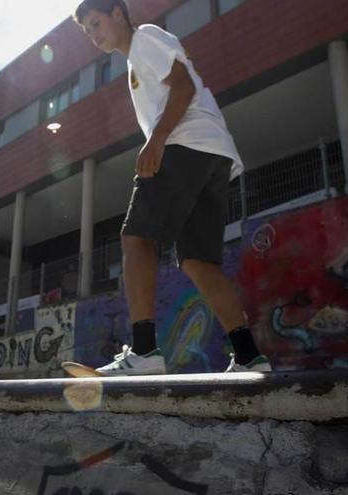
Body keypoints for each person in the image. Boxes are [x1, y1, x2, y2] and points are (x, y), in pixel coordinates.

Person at [73, 0, 271, 374]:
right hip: (213, 154)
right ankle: (249, 357)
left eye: (96, 24)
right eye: (87, 32)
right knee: (198, 261)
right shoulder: (135, 59)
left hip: (185, 144)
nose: (93, 36)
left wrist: (157, 139)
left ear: (118, 13)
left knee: (136, 239)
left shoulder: (144, 38)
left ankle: (145, 352)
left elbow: (182, 88)